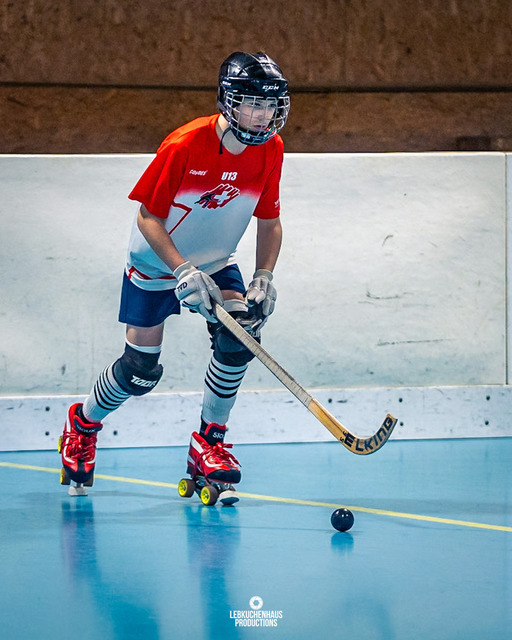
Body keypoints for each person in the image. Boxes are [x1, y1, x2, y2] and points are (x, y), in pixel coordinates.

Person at [58, 51, 291, 502]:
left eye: (270, 105)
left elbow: (270, 220)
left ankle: (210, 442)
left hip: (216, 260)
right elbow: (148, 217)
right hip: (155, 264)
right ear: (229, 102)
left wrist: (264, 274)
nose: (263, 115)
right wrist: (181, 269)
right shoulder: (184, 145)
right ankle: (82, 425)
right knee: (139, 371)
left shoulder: (272, 149)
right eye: (253, 103)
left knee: (239, 337)